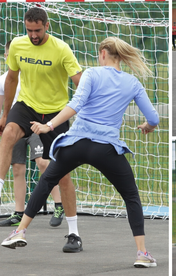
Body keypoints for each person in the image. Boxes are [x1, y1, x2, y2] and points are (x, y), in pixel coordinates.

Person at [1, 36, 160, 268]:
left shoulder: (91, 74)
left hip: (76, 143)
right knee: (131, 197)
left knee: (46, 181)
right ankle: (142, 253)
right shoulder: (132, 82)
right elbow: (153, 118)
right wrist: (148, 126)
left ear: (103, 53)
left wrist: (49, 125)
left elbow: (75, 104)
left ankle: (20, 231)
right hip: (106, 148)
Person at [0, 7, 82, 252]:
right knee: (8, 134)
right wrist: (5, 113)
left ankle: (74, 234)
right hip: (27, 105)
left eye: (37, 30)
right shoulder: (17, 45)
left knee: (63, 174)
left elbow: (81, 82)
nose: (33, 35)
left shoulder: (61, 49)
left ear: (46, 26)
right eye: (29, 30)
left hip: (56, 113)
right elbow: (12, 79)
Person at [0, 40, 64, 227]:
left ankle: (59, 204)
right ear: (7, 56)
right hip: (15, 127)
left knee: (44, 162)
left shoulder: (32, 74)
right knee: (17, 168)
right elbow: (4, 106)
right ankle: (18, 212)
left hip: (34, 124)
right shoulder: (4, 79)